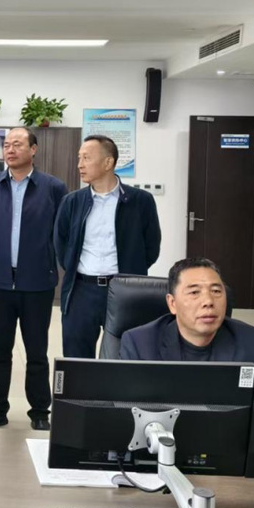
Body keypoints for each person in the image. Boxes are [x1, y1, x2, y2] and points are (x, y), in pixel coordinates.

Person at [0, 127, 68, 430]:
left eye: (17, 144)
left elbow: (60, 230)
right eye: (6, 145)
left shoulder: (53, 187)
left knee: (36, 351)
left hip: (37, 282)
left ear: (33, 149)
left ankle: (39, 411)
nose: (10, 150)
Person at [55, 135, 161, 359]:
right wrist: (74, 267)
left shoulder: (140, 201)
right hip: (81, 289)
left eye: (86, 158)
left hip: (124, 290)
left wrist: (132, 269)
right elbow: (60, 242)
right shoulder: (72, 201)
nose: (80, 164)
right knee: (77, 359)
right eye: (79, 158)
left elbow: (151, 247)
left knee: (124, 357)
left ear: (108, 162)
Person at [120, 257, 254, 363]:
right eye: (194, 292)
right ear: (172, 303)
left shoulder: (252, 342)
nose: (208, 301)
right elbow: (123, 401)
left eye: (216, 291)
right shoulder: (139, 345)